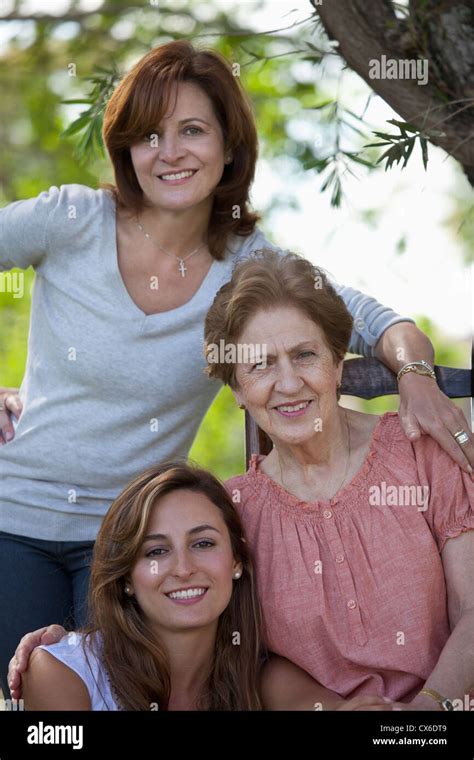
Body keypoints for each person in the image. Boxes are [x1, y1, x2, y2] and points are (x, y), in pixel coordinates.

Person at [0, 40, 471, 698]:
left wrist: (415, 378)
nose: (169, 153)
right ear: (126, 149)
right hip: (13, 519)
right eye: (149, 135)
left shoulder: (245, 261)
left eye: (192, 130)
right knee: (35, 700)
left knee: (131, 695)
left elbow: (373, 319)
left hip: (139, 543)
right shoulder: (70, 219)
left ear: (229, 148)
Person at [202, 249, 473, 710]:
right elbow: (252, 659)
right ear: (237, 391)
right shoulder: (234, 513)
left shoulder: (420, 450)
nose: (288, 384)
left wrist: (426, 712)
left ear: (337, 365)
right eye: (261, 365)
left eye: (304, 355)